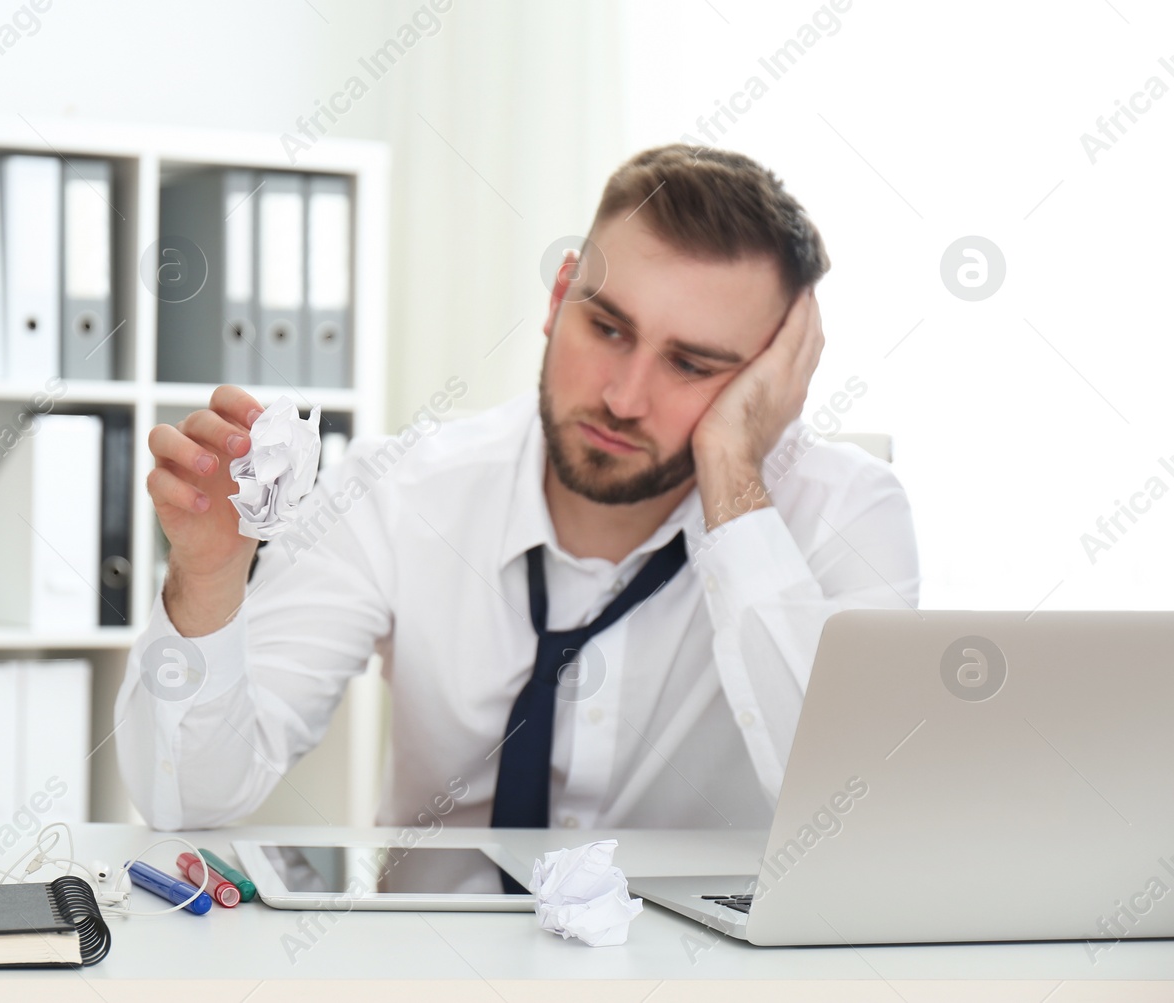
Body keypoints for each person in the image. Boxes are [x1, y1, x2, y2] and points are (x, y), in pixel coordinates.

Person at [116, 143, 919, 831]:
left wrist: (735, 480)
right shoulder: (401, 491)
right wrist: (210, 581)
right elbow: (183, 802)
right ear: (559, 292)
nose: (623, 397)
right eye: (605, 327)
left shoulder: (847, 513)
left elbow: (864, 819)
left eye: (693, 364)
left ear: (774, 378)